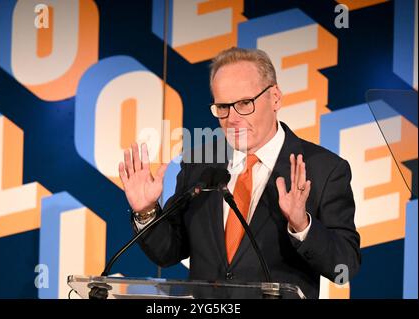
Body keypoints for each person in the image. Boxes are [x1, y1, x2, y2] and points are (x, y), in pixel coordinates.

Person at [118, 47, 361, 299]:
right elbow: (168, 252)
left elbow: (345, 267)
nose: (232, 118)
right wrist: (146, 211)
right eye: (223, 106)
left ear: (275, 98)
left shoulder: (323, 168)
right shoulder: (199, 163)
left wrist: (302, 226)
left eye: (245, 103)